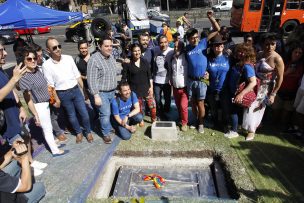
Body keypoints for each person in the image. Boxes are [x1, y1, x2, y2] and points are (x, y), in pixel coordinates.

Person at [0, 43, 47, 177]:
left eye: (4, 49)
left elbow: (12, 91)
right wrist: (14, 78)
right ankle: (26, 169)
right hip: (7, 119)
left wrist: (21, 107)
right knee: (18, 144)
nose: (5, 53)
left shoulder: (1, 70)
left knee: (26, 136)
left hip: (15, 112)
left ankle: (31, 161)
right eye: (1, 50)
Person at [42, 37, 93, 144]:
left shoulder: (69, 58)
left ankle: (88, 132)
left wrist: (84, 91)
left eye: (59, 46)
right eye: (54, 47)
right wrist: (56, 99)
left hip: (75, 90)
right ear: (48, 50)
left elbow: (77, 76)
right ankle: (78, 133)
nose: (58, 49)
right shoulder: (46, 65)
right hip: (62, 94)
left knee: (84, 113)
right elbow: (50, 85)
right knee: (71, 116)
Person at [19, 47, 67, 156]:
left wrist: (53, 98)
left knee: (48, 126)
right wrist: (35, 114)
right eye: (29, 59)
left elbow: (46, 86)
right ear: (24, 61)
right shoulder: (24, 77)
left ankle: (53, 145)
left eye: (34, 58)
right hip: (39, 106)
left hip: (46, 103)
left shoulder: (37, 70)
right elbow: (27, 99)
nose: (33, 61)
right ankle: (55, 150)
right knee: (47, 129)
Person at [242, 33, 285, 141]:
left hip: (265, 88)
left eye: (272, 44)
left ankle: (251, 131)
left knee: (257, 108)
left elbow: (280, 78)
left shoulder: (277, 59)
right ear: (262, 44)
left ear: (276, 45)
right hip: (254, 84)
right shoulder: (260, 54)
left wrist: (273, 94)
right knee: (248, 104)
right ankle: (251, 126)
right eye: (267, 44)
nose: (269, 47)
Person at [185, 10, 220, 133]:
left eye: (196, 37)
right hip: (191, 79)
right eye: (192, 38)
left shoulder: (203, 43)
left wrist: (211, 18)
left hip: (202, 79)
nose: (195, 39)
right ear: (188, 39)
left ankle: (201, 123)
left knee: (201, 102)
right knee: (193, 103)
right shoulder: (186, 49)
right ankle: (195, 120)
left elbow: (217, 29)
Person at [30, 43, 67, 143]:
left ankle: (60, 129)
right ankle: (57, 134)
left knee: (55, 113)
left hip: (51, 91)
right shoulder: (32, 67)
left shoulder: (45, 61)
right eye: (37, 56)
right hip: (40, 98)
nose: (40, 57)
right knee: (49, 118)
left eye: (41, 54)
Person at [87, 36, 117, 144]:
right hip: (102, 93)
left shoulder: (111, 56)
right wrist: (96, 95)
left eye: (110, 46)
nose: (109, 48)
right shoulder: (94, 60)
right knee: (105, 114)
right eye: (106, 46)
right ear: (100, 46)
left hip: (112, 91)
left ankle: (107, 127)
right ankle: (105, 134)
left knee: (111, 113)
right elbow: (91, 80)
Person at [223, 43, 257, 138]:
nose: (240, 53)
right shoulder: (239, 62)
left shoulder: (247, 66)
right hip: (232, 91)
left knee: (233, 111)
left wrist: (241, 94)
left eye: (243, 52)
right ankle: (235, 127)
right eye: (239, 51)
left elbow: (253, 82)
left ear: (248, 53)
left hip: (237, 93)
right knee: (233, 111)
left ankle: (234, 131)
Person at [122, 43, 156, 124]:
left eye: (138, 50)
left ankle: (153, 119)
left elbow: (149, 76)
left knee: (153, 106)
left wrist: (151, 87)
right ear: (131, 52)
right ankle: (141, 120)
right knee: (139, 107)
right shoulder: (128, 63)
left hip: (146, 88)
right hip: (135, 90)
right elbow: (124, 78)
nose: (137, 53)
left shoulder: (145, 61)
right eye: (135, 51)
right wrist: (126, 90)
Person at [272, 44, 304, 127]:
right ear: (291, 52)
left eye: (300, 53)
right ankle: (273, 125)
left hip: (292, 93)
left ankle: (282, 128)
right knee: (275, 113)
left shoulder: (301, 66)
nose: (297, 54)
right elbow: (275, 76)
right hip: (279, 91)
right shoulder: (283, 62)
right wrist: (287, 72)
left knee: (285, 116)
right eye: (295, 52)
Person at [206, 34, 230, 129]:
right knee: (213, 108)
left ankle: (225, 124)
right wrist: (205, 76)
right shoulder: (208, 59)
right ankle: (215, 123)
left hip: (224, 89)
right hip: (212, 88)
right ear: (212, 47)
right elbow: (205, 73)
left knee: (225, 108)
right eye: (216, 45)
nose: (218, 46)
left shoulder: (228, 58)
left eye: (220, 44)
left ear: (223, 46)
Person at [153, 35, 174, 120]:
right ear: (158, 43)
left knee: (167, 98)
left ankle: (166, 110)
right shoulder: (154, 50)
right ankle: (160, 113)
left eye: (165, 42)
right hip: (156, 81)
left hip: (167, 81)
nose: (163, 44)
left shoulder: (172, 51)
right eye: (161, 42)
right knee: (157, 99)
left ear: (168, 42)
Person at [170, 40, 188, 131]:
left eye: (178, 46)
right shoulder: (172, 58)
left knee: (183, 106)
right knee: (178, 105)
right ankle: (181, 118)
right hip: (175, 87)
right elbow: (172, 71)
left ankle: (184, 123)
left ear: (182, 48)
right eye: (175, 46)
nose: (176, 48)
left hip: (184, 87)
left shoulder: (185, 57)